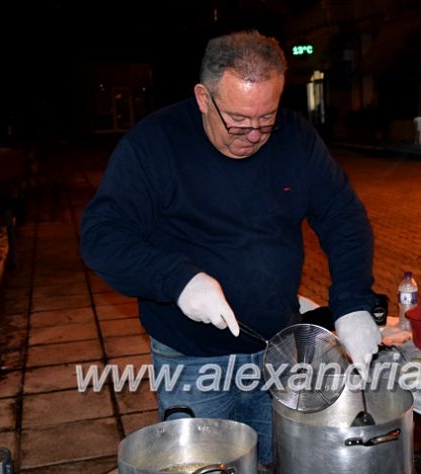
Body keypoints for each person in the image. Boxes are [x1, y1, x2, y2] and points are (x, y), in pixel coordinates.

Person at [79, 30, 382, 466]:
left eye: (267, 118)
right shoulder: (156, 144)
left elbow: (343, 217)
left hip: (278, 350)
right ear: (204, 98)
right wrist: (179, 280)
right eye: (239, 120)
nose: (255, 134)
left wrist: (352, 302)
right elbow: (102, 234)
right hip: (190, 360)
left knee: (278, 462)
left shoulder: (295, 138)